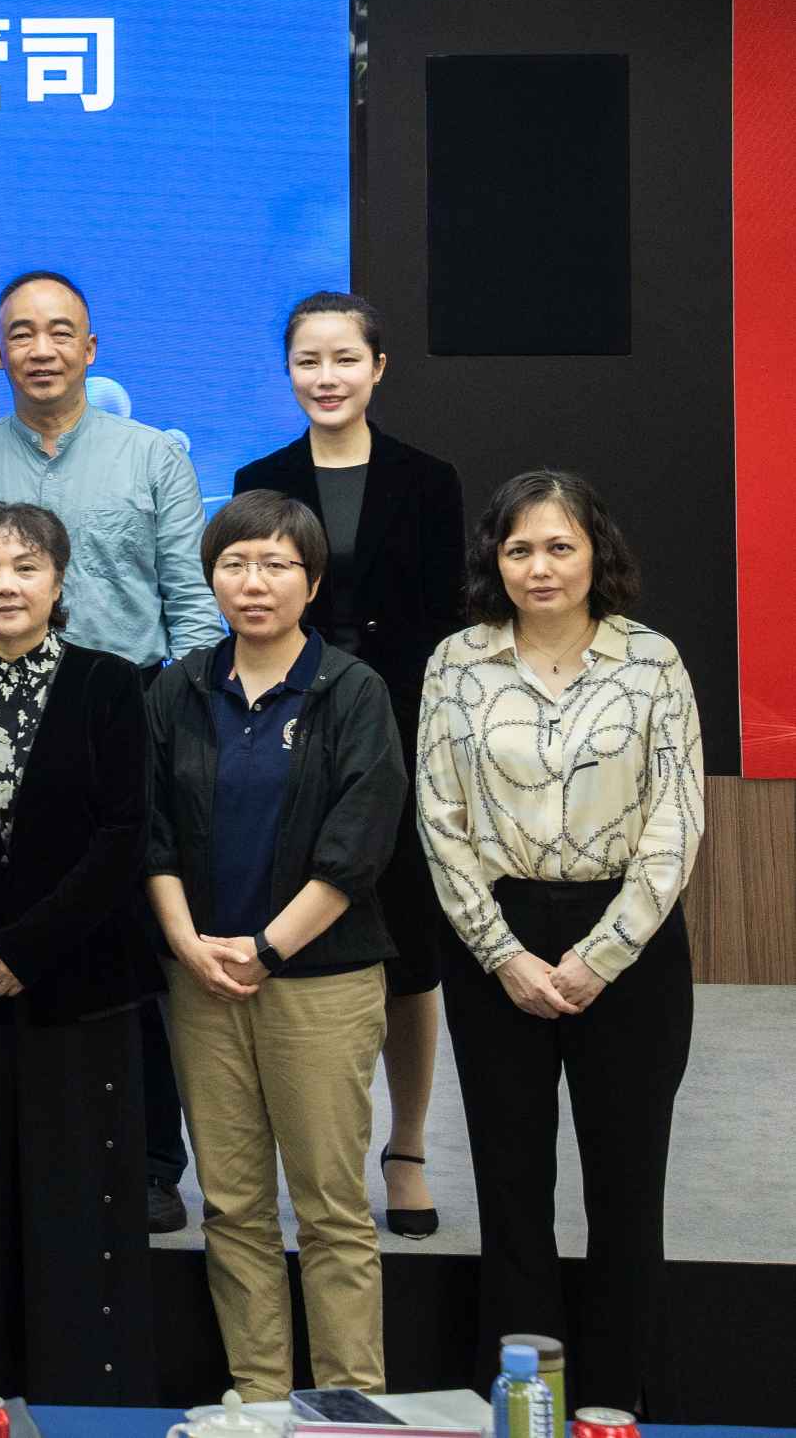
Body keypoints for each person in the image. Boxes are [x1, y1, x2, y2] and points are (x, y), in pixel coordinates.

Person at [419, 472, 703, 1413]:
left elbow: (675, 823)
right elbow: (439, 821)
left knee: (626, 1189)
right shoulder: (456, 662)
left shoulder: (650, 660)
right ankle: (520, 1406)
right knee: (510, 1189)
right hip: (494, 942)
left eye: (558, 546)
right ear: (493, 560)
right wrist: (501, 952)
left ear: (595, 553)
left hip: (629, 946)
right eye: (518, 549)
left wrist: (598, 954)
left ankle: (616, 1405)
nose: (538, 567)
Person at [0, 268, 220, 1230]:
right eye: (21, 333)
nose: (42, 348)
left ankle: (149, 1160)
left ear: (90, 347)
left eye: (60, 330)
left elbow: (190, 602)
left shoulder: (153, 456)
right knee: (2, 930)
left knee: (127, 934)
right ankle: (7, 1149)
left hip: (127, 709)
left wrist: (176, 724)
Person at [143, 490, 405, 1407]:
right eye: (234, 563)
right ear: (210, 577)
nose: (253, 582)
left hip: (318, 980)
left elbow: (358, 843)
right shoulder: (177, 689)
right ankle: (256, 1400)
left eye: (276, 564)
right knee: (231, 1204)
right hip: (200, 980)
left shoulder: (352, 690)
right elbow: (150, 832)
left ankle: (348, 1407)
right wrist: (187, 943)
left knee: (330, 1206)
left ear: (312, 581)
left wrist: (265, 947)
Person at [0, 502, 154, 1403]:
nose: (4, 584)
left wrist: (26, 946)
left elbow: (122, 834)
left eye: (25, 566)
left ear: (57, 579)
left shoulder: (110, 684)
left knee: (76, 1197)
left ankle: (81, 1397)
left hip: (79, 978)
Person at [234, 292, 465, 1240]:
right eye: (306, 360)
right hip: (288, 726)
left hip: (399, 730)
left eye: (342, 358)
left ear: (377, 367)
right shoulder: (260, 477)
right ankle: (300, 1156)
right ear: (287, 370)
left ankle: (405, 1150)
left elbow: (446, 621)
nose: (324, 377)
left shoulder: (428, 478)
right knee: (292, 937)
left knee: (409, 952)